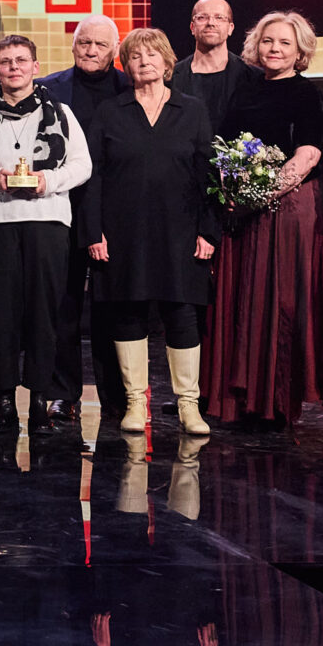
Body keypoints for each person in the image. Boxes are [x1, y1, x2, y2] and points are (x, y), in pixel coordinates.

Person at [203, 10, 323, 432]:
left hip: (287, 209)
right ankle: (242, 398)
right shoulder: (245, 90)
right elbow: (224, 146)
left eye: (285, 43)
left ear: (299, 50)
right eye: (268, 41)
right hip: (243, 211)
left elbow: (308, 155)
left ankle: (276, 402)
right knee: (244, 300)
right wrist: (232, 188)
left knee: (281, 301)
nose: (275, 49)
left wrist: (259, 195)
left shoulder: (307, 94)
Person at [83, 28, 219, 438]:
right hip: (123, 231)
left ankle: (188, 405)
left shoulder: (192, 109)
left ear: (167, 62)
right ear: (125, 65)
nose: (144, 61)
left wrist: (208, 231)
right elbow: (93, 176)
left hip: (181, 230)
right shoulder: (109, 111)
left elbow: (207, 173)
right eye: (135, 56)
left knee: (182, 314)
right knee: (128, 312)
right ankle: (135, 403)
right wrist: (93, 231)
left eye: (152, 54)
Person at [0, 33, 90, 433]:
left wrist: (47, 181)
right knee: (0, 314)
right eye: (6, 62)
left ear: (35, 67)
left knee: (43, 314)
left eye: (21, 60)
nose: (13, 67)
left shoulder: (60, 113)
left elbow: (82, 165)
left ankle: (40, 399)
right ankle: (4, 399)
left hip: (47, 221)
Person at [38, 13, 130, 422]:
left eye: (100, 44)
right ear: (73, 45)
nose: (91, 50)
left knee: (113, 305)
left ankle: (116, 396)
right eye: (84, 43)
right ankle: (63, 393)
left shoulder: (131, 87)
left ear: (115, 49)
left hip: (116, 212)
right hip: (62, 208)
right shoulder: (48, 88)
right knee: (64, 304)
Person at [171, 0, 259, 131]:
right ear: (192, 27)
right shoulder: (171, 78)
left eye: (219, 17)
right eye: (202, 17)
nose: (211, 23)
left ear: (230, 28)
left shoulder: (252, 77)